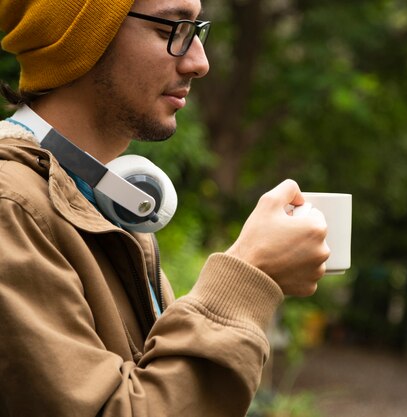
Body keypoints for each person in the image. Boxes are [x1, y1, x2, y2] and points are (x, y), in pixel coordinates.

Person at [0, 0, 330, 416]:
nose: (199, 61)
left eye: (197, 30)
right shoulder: (12, 208)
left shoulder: (111, 202)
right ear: (82, 39)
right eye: (171, 30)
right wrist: (248, 277)